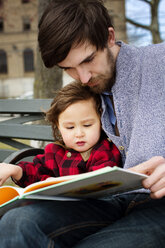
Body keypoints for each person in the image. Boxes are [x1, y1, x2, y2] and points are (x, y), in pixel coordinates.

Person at [0, 0, 164, 247]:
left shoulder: (159, 61)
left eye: (89, 60)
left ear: (109, 36)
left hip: (158, 205)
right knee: (17, 223)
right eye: (70, 69)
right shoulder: (87, 92)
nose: (84, 77)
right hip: (110, 200)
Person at [0, 82, 121, 188]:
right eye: (70, 127)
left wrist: (57, 183)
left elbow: (98, 183)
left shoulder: (104, 151)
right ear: (58, 126)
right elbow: (36, 173)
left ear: (101, 122)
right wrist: (16, 171)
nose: (79, 134)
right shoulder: (54, 152)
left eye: (87, 125)